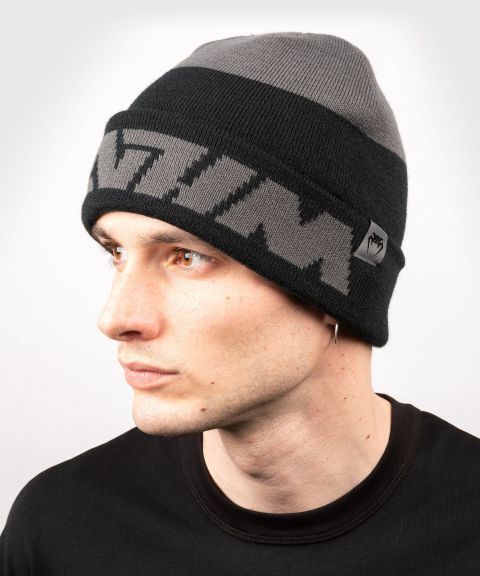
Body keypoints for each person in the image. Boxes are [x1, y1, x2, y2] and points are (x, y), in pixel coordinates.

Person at [1, 31, 479, 574]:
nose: (115, 319)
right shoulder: (63, 529)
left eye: (186, 257)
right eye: (115, 252)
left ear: (337, 283)